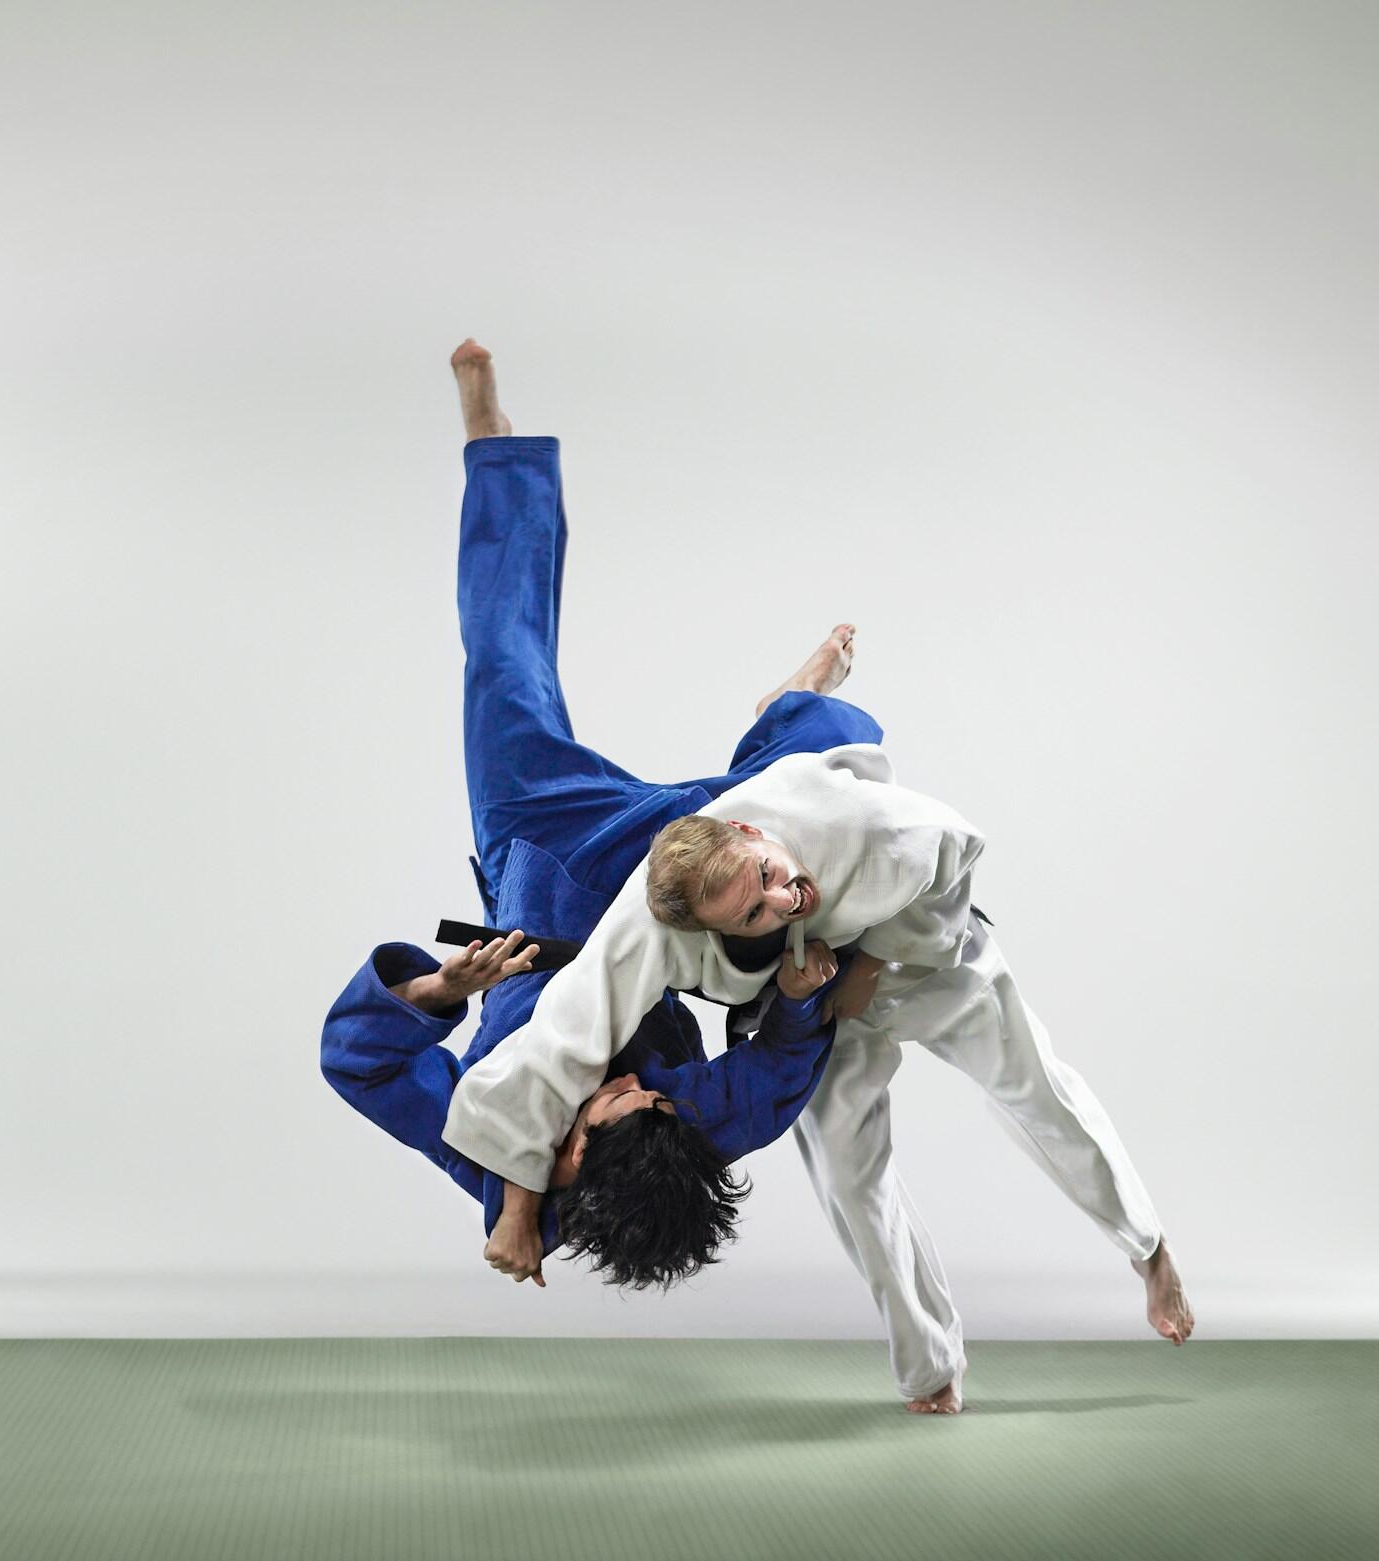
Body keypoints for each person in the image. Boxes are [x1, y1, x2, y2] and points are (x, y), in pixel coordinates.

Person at [436, 347, 1193, 1412]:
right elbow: (571, 1029)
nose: (618, 1095)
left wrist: (869, 958)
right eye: (755, 898)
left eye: (768, 878)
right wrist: (522, 1199)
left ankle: (1147, 1244)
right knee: (846, 1165)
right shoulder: (668, 949)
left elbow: (944, 854)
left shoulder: (841, 831)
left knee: (1029, 1082)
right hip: (651, 871)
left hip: (899, 934)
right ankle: (931, 1366)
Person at [321, 339, 876, 1288]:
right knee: (812, 782)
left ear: (569, 1157)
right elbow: (778, 1072)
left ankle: (496, 455)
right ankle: (787, 710)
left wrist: (442, 990)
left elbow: (358, 1064)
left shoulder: (481, 1151)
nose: (627, 1081)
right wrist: (798, 999)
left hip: (541, 859)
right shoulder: (691, 1125)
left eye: (614, 1102)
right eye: (649, 1098)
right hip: (665, 887)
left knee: (504, 669)